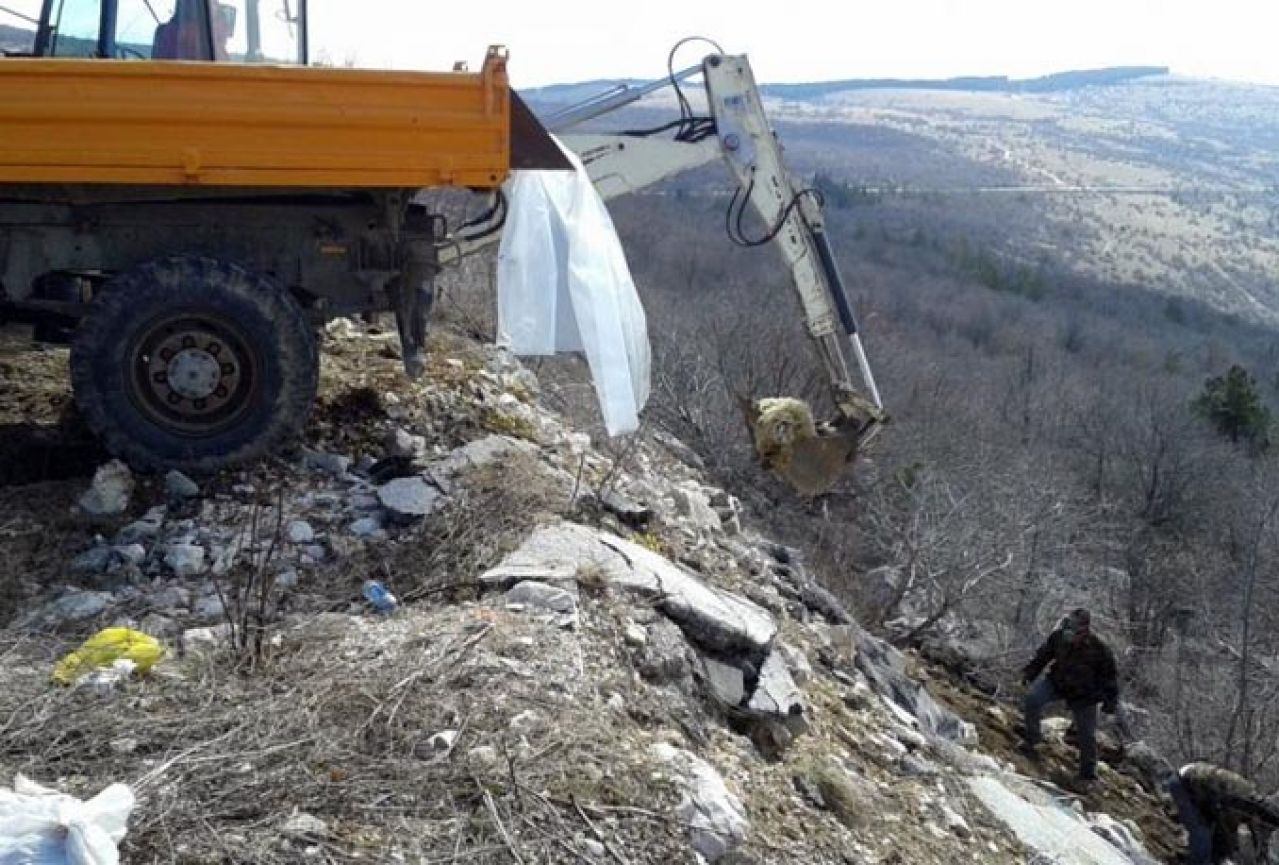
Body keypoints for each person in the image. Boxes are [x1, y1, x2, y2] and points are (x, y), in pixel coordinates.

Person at [1019, 607, 1119, 784]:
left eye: (1073, 631)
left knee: (1087, 735)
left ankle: (1088, 775)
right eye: (1067, 629)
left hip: (1085, 694)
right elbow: (1043, 656)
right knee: (1032, 700)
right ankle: (1032, 740)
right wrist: (1029, 674)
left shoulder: (1100, 649)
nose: (1069, 634)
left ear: (1084, 630)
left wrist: (1109, 702)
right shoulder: (1057, 637)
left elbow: (1110, 677)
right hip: (1058, 682)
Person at [1168, 762, 1279, 864]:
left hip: (1200, 790)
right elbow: (1226, 831)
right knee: (1201, 834)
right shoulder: (1239, 803)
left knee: (1214, 838)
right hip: (1182, 783)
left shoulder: (1250, 801)